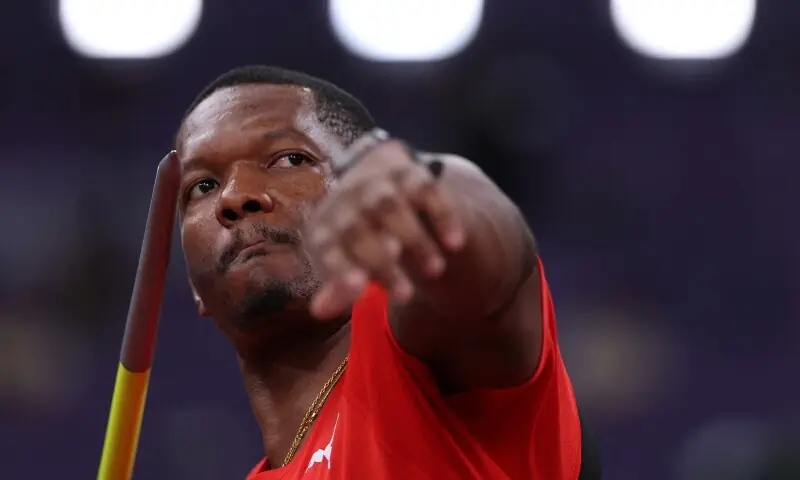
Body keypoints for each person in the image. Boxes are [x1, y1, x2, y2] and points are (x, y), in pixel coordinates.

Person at [175, 65, 599, 479]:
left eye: (289, 159)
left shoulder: (415, 346)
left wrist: (423, 187)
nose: (235, 195)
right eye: (203, 185)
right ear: (194, 288)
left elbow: (477, 257)